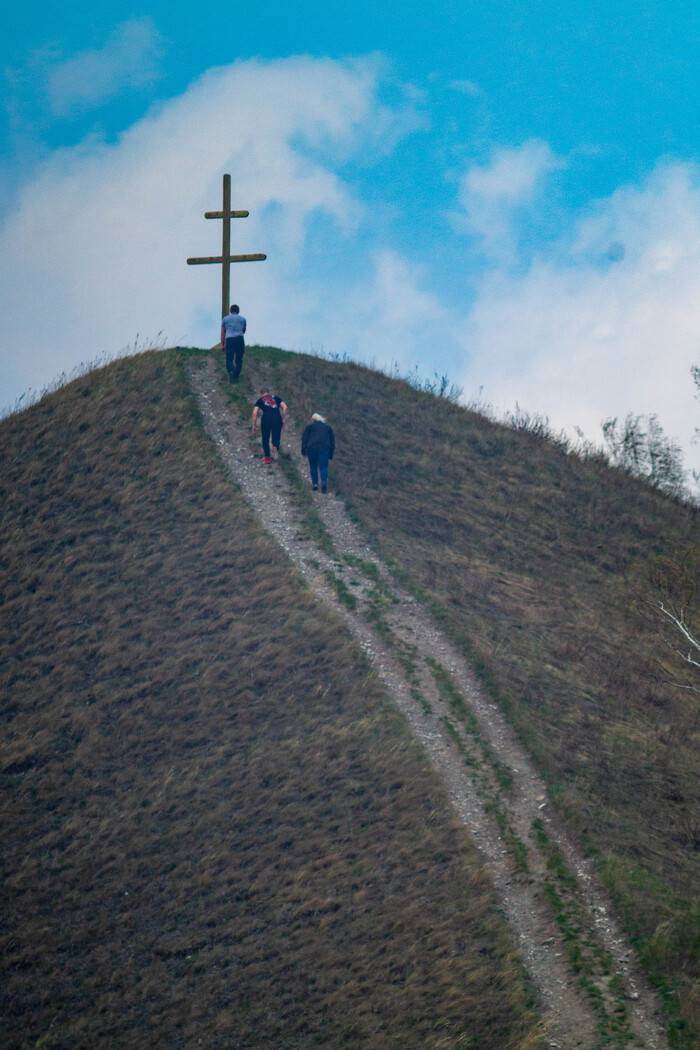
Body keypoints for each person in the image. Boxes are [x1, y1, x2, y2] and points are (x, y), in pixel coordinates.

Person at [252, 387, 287, 464]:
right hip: (277, 418)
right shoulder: (276, 398)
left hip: (266, 419)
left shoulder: (260, 400)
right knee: (276, 435)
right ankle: (275, 446)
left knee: (265, 438)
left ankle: (267, 458)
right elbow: (285, 407)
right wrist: (282, 419)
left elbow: (254, 413)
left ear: (261, 394)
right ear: (269, 393)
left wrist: (254, 425)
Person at [301, 412, 335, 493]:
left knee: (313, 467)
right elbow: (332, 442)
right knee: (323, 467)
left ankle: (315, 484)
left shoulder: (309, 427)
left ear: (313, 420)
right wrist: (330, 455)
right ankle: (323, 482)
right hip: (324, 449)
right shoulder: (327, 428)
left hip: (312, 448)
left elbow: (304, 439)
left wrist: (303, 452)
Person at [220, 304, 246, 382]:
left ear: (230, 311)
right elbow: (243, 330)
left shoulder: (225, 319)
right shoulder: (243, 319)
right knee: (239, 359)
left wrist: (223, 345)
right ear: (238, 311)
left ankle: (231, 372)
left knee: (229, 358)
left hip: (229, 339)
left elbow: (223, 333)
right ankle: (236, 374)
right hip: (239, 339)